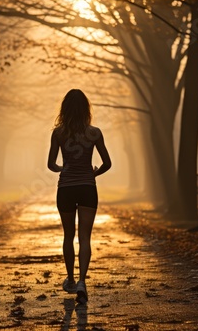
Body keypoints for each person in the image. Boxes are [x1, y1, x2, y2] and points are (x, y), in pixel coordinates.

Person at [47, 89, 112, 304]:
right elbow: (107, 163)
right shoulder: (94, 132)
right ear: (86, 109)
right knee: (85, 237)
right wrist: (93, 173)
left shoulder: (58, 133)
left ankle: (71, 279)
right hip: (87, 188)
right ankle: (83, 281)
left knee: (68, 235)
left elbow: (51, 164)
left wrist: (61, 168)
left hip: (65, 187)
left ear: (64, 109)